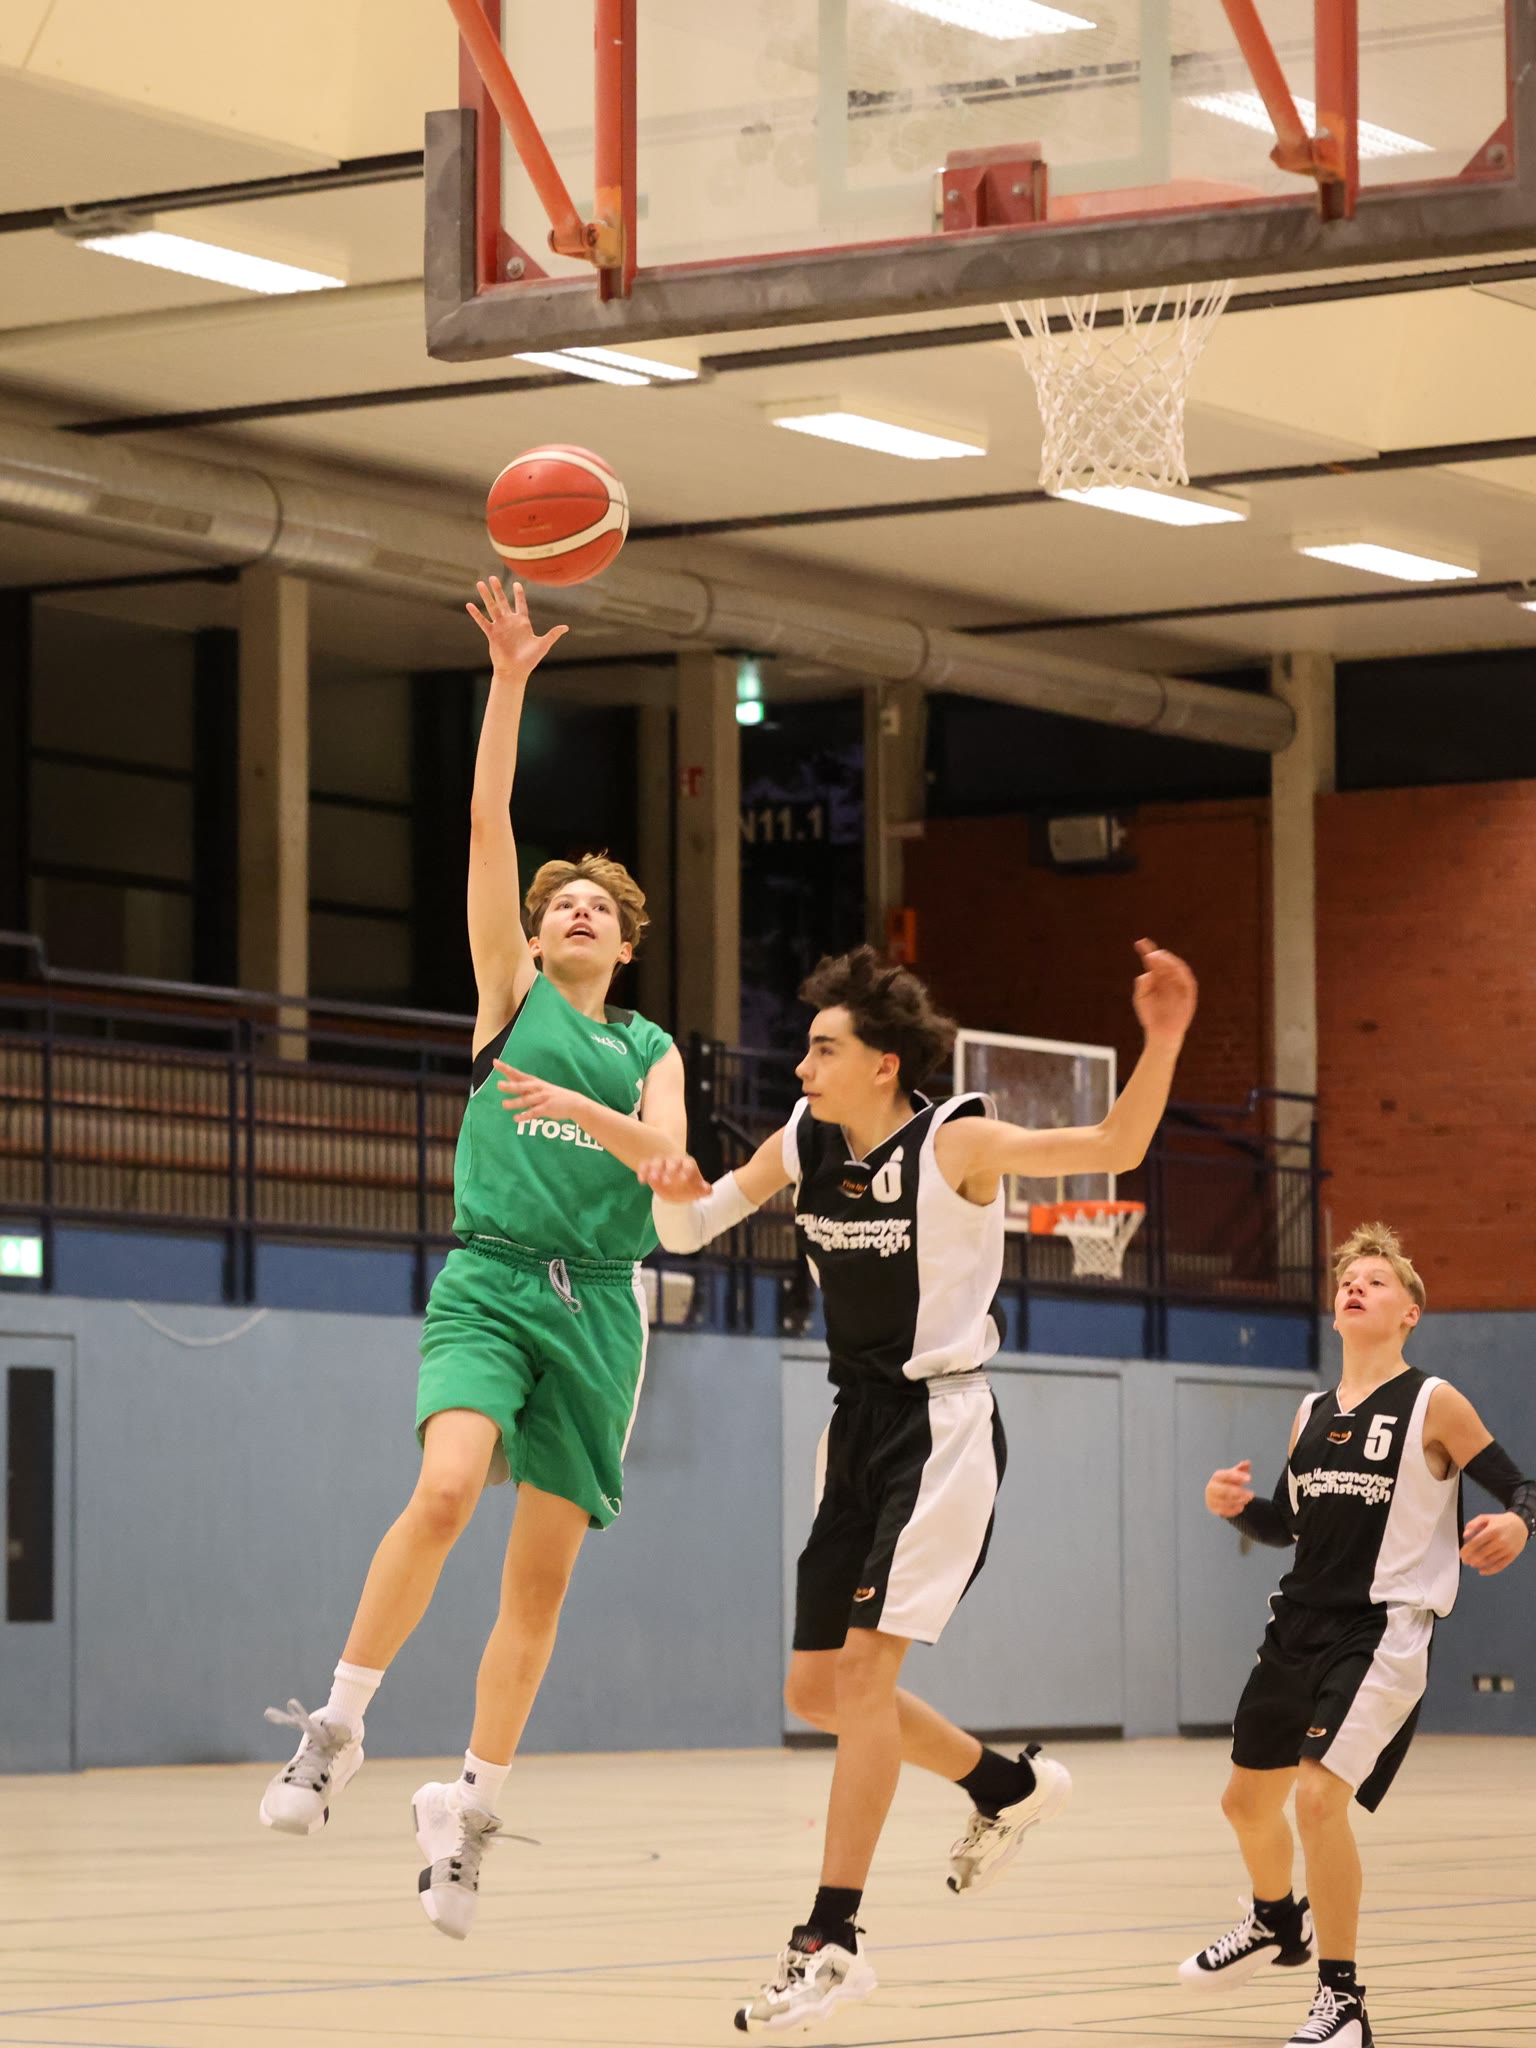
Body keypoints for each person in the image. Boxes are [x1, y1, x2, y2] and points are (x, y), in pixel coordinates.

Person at [515, 936, 1196, 2032]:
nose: (801, 1066)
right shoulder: (805, 1138)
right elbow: (689, 1228)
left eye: (823, 1049)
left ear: (883, 1062)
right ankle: (1007, 1788)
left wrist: (1162, 1037)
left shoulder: (957, 1140)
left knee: (866, 1683)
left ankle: (830, 1939)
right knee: (818, 1692)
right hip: (855, 1429)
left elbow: (1114, 1143)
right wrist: (662, 1182)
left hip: (941, 1428)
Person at [258, 577, 687, 1941]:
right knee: (445, 1489)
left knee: (537, 1585)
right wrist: (508, 681)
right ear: (535, 934)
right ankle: (337, 1726)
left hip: (601, 1308)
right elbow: (488, 821)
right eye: (562, 903)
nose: (575, 912)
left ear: (626, 942)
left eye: (597, 908)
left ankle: (467, 1812)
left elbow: (668, 1162)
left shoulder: (649, 1048)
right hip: (492, 1280)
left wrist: (587, 1113)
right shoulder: (509, 999)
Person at [1181, 1221, 1535, 2048]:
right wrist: (1236, 1508)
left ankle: (1342, 2001)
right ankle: (1278, 1917)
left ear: (1409, 1312)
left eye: (1376, 1280)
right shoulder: (1310, 1411)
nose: (1355, 1287)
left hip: (1383, 1629)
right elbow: (1288, 1524)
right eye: (1348, 1279)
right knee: (1244, 1803)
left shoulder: (1434, 1401)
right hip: (1296, 1622)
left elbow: (1522, 1486)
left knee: (1317, 1799)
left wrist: (1519, 1524)